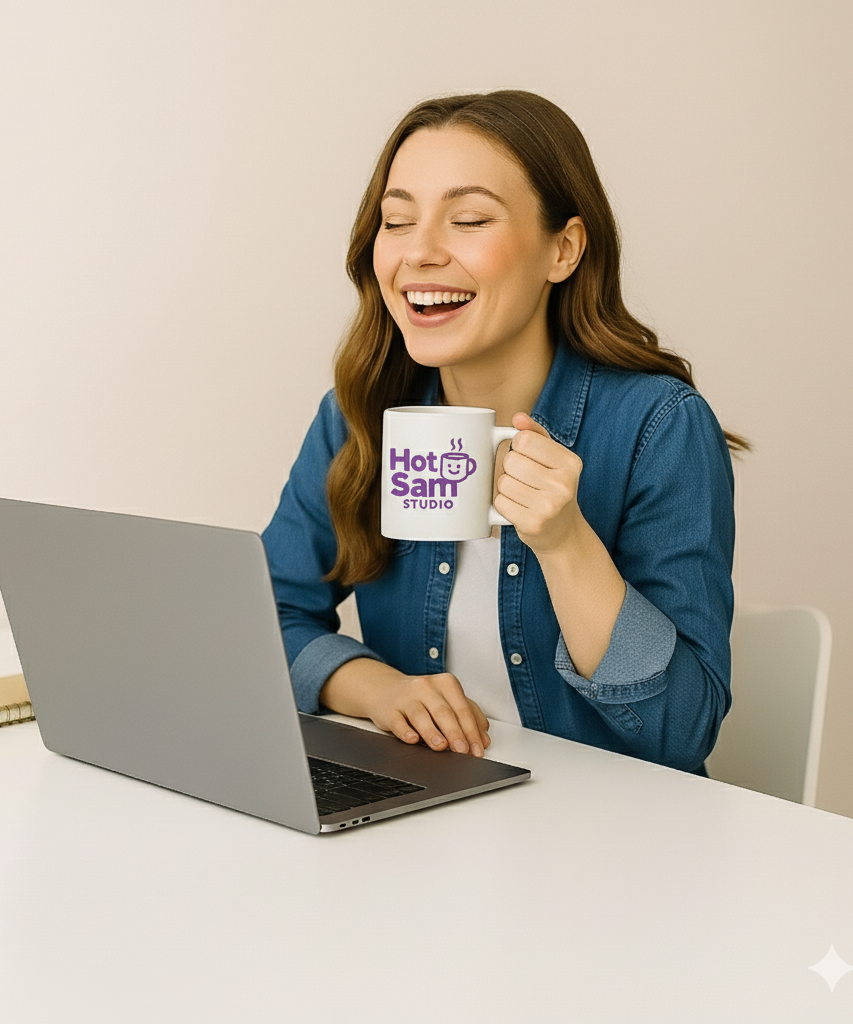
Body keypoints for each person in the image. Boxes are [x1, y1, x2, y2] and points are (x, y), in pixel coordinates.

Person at [262, 90, 745, 774]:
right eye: (396, 221)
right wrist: (377, 689)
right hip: (427, 811)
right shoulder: (358, 416)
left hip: (605, 839)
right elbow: (261, 619)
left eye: (468, 219)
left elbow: (681, 732)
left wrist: (565, 542)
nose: (420, 252)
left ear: (564, 249)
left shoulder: (658, 427)